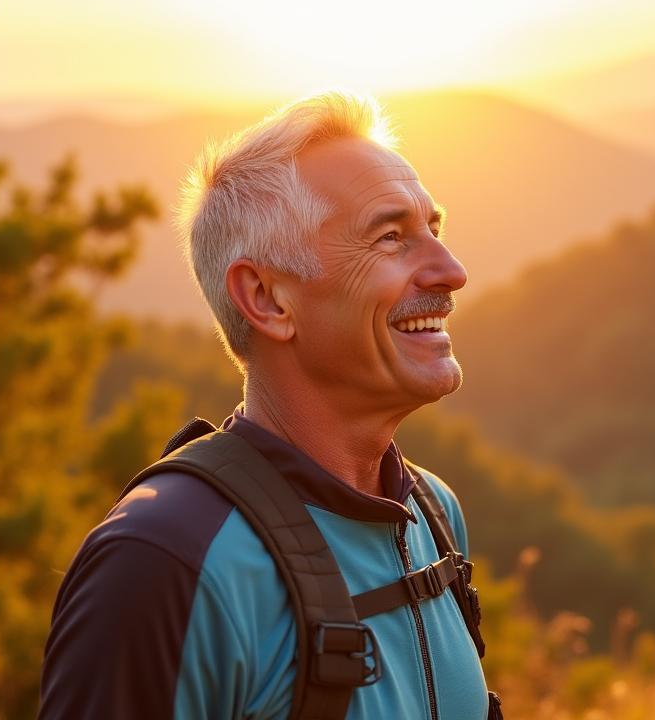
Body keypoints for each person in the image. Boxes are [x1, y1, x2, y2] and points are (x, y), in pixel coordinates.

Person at [38, 92, 490, 719]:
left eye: (433, 230)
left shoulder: (432, 514)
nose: (452, 270)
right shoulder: (164, 560)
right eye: (390, 238)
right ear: (267, 299)